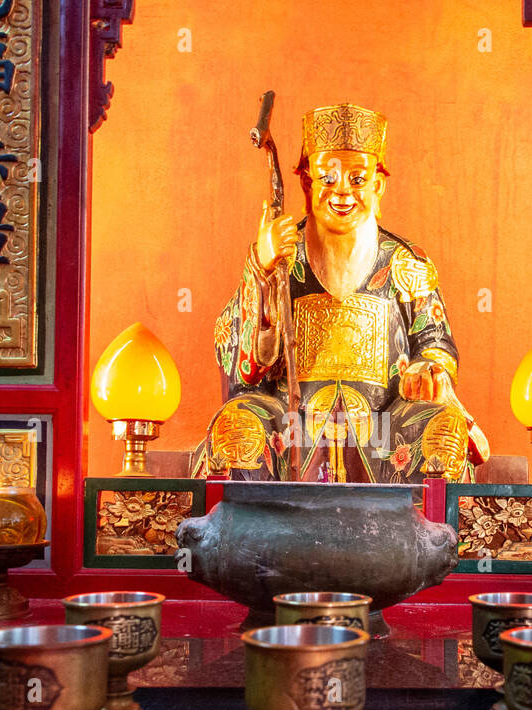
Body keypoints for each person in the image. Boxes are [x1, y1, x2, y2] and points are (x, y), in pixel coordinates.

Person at [193, 103, 489, 482]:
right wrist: (262, 270)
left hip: (386, 430)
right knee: (238, 427)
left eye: (357, 179)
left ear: (377, 185)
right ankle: (244, 535)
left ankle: (425, 537)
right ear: (306, 184)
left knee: (443, 430)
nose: (343, 193)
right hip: (290, 426)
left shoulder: (405, 262)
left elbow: (435, 339)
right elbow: (246, 368)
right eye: (328, 180)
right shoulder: (284, 257)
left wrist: (429, 369)